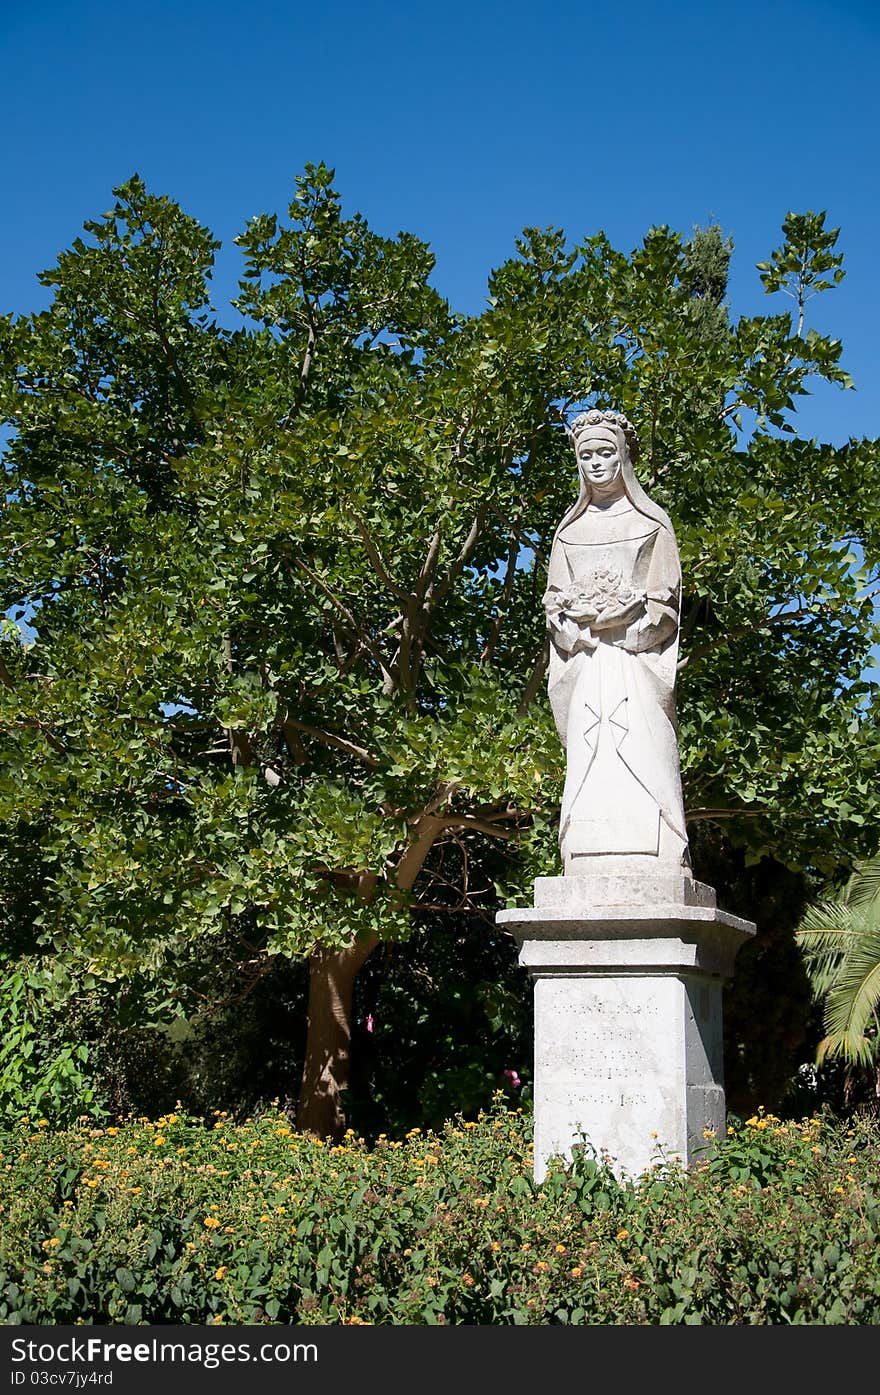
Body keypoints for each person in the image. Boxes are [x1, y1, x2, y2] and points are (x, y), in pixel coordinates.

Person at [543, 408, 690, 875]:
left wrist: (629, 621)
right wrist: (576, 627)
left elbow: (665, 606)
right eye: (586, 455)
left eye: (606, 452)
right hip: (588, 663)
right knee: (592, 747)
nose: (596, 463)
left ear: (624, 456)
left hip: (632, 663)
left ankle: (662, 847)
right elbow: (553, 603)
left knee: (646, 749)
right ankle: (584, 851)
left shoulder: (653, 523)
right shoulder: (569, 532)